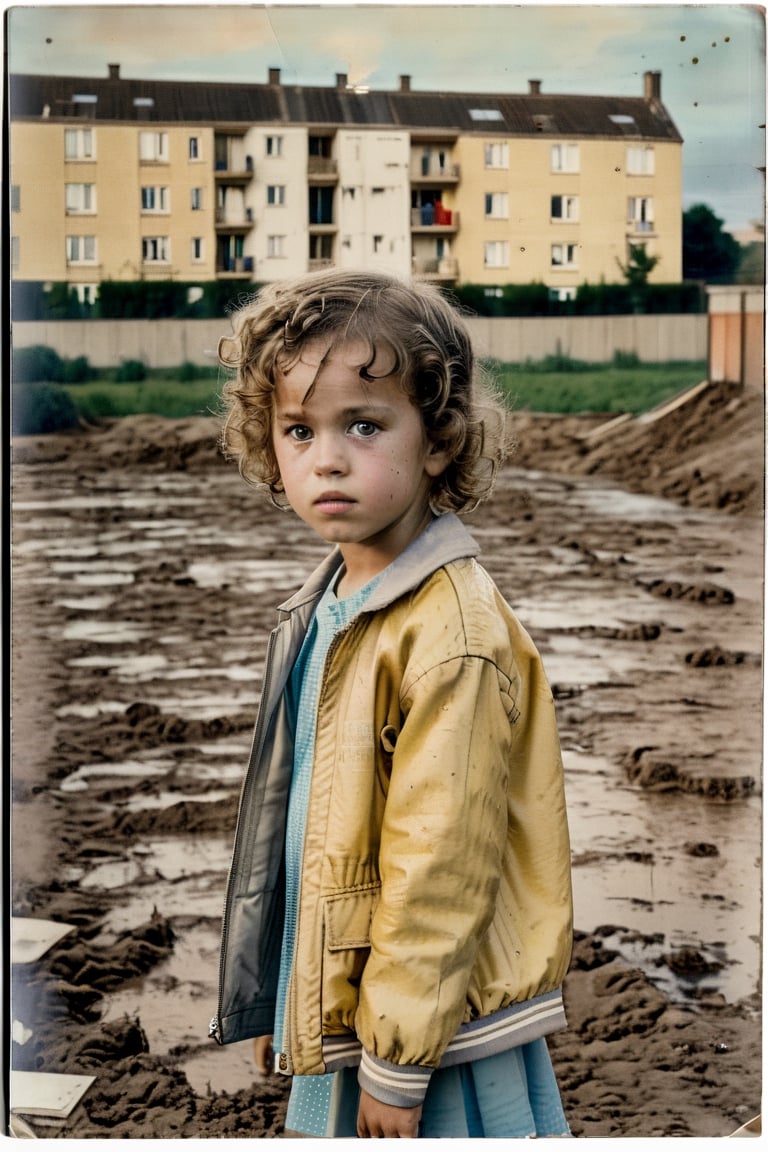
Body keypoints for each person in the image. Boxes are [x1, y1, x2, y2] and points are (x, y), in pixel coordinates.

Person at [210, 269, 573, 1138]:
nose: (325, 457)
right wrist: (285, 1000)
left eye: (363, 426)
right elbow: (313, 832)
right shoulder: (331, 601)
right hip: (357, 1009)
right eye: (298, 430)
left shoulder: (449, 632)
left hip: (432, 1039)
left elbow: (441, 866)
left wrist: (399, 1065)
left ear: (439, 439)